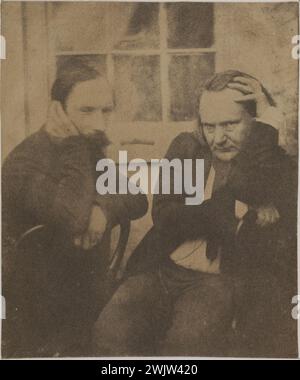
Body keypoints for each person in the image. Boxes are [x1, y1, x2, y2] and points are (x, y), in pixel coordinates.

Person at [93, 70, 297, 357]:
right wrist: (235, 209)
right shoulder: (187, 149)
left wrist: (267, 128)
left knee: (187, 345)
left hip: (220, 281)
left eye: (230, 124)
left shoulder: (276, 168)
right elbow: (166, 218)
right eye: (209, 126)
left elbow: (245, 185)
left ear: (257, 121)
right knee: (109, 332)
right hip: (163, 268)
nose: (218, 138)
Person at [2, 59, 148, 357]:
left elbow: (136, 198)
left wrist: (103, 210)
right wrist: (72, 146)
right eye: (86, 111)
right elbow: (72, 217)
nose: (100, 123)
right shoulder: (23, 162)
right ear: (58, 110)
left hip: (85, 294)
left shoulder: (88, 148)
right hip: (34, 311)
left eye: (106, 111)